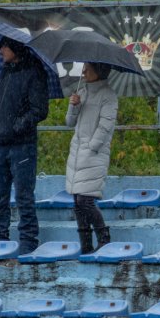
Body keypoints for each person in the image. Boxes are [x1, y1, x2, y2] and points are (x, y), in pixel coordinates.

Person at [0, 35, 51, 254]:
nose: (0, 50)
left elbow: (39, 110)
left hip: (22, 145)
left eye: (3, 46)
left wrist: (15, 127)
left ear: (14, 47)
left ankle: (28, 240)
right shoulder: (6, 71)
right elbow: (7, 102)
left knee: (23, 195)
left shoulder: (34, 72)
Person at [64, 63, 118, 254]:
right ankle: (85, 243)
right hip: (77, 153)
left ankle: (104, 237)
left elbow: (105, 126)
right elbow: (70, 123)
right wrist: (74, 106)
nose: (84, 72)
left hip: (93, 154)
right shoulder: (82, 92)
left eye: (88, 68)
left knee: (85, 201)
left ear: (99, 70)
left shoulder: (108, 95)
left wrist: (92, 146)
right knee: (77, 201)